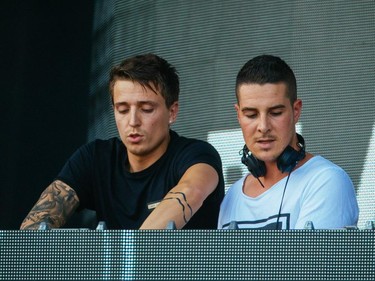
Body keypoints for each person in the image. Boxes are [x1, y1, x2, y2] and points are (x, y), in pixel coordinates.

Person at [21, 53, 224, 230]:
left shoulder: (197, 155)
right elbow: (34, 227)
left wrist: (128, 259)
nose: (133, 121)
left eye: (146, 109)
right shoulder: (94, 158)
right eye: (123, 109)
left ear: (172, 111)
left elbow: (192, 190)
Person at [218, 55, 358, 230]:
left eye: (275, 112)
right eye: (251, 115)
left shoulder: (326, 181)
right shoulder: (231, 197)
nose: (263, 127)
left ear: (296, 110)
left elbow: (308, 258)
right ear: (238, 115)